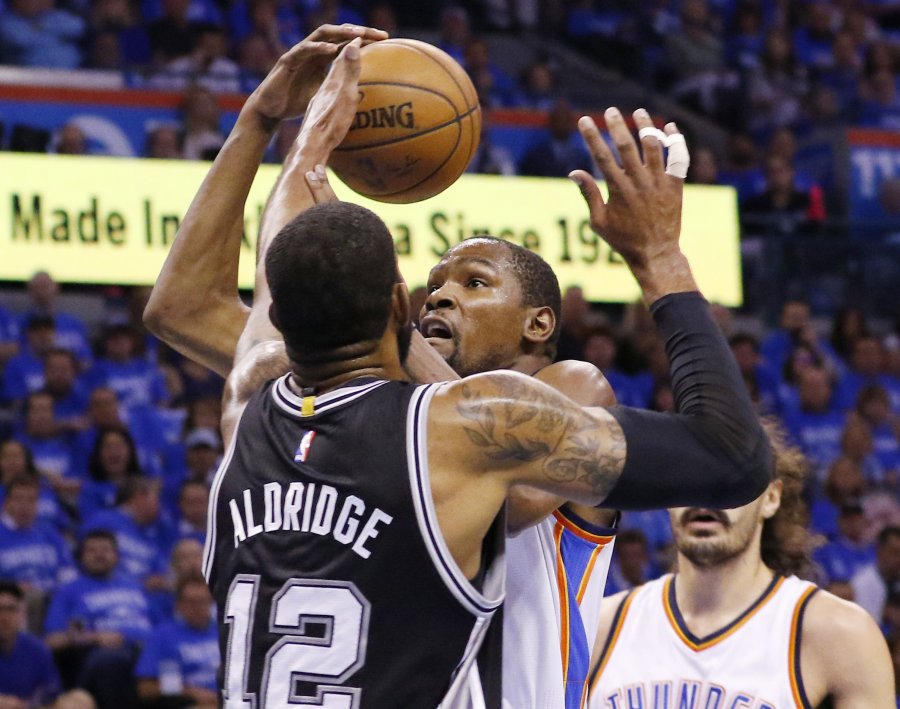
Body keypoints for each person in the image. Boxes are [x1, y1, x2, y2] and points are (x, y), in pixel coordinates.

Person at [144, 28, 773, 708]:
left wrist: (299, 150)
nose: (438, 293)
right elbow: (182, 308)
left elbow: (515, 490)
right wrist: (262, 123)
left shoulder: (568, 387)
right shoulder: (372, 405)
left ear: (540, 324)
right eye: (429, 284)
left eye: (473, 282)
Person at [587, 434, 894, 708]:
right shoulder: (599, 628)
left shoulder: (839, 635)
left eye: (729, 477)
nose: (706, 495)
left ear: (771, 498)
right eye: (688, 476)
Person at [135, 574, 219, 708]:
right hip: (191, 702)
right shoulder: (163, 636)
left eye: (204, 601)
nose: (199, 608)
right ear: (178, 605)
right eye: (192, 602)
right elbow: (145, 689)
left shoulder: (221, 632)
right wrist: (191, 692)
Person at [0, 580, 61, 708]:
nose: (4, 617)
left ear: (22, 613)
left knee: (79, 699)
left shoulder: (37, 649)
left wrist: (28, 704)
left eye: (11, 609)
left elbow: (51, 689)